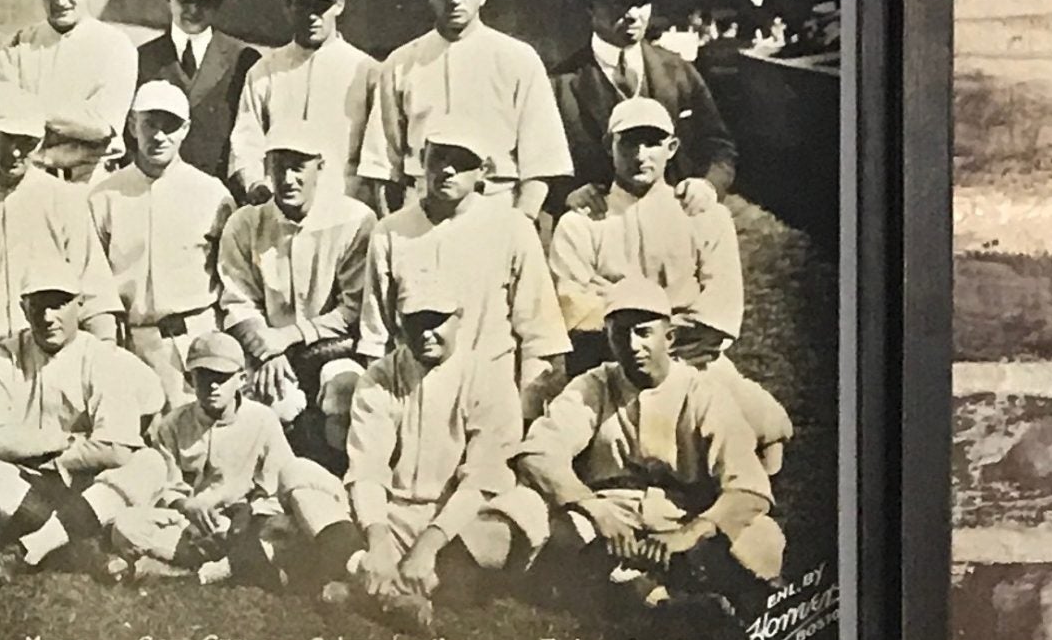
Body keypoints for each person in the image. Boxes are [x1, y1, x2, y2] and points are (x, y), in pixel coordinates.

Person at [510, 277, 784, 612]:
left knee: (761, 539)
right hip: (611, 516)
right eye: (619, 334)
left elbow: (748, 486)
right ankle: (660, 600)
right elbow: (538, 453)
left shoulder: (703, 391)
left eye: (643, 332)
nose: (632, 345)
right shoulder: (595, 385)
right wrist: (594, 508)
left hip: (686, 514)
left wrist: (693, 531)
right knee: (563, 533)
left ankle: (694, 590)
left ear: (669, 338)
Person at [338, 271, 536, 634]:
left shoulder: (488, 377)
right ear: (399, 322)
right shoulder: (380, 377)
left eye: (437, 320)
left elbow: (484, 478)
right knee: (307, 483)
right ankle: (401, 593)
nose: (426, 332)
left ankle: (372, 590)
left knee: (525, 512)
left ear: (459, 319)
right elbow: (367, 468)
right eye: (415, 321)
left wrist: (428, 546)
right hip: (393, 516)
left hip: (459, 524)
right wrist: (378, 541)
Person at [0, 257, 165, 584]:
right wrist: (65, 442)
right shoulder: (0, 357)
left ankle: (30, 547)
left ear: (80, 305)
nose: (48, 316)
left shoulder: (103, 357)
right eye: (38, 305)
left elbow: (117, 450)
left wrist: (51, 456)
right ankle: (83, 550)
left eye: (59, 304)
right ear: (23, 308)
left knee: (150, 464)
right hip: (25, 483)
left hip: (89, 484)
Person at [88, 328, 356, 589]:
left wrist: (248, 514)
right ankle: (222, 567)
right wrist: (186, 505)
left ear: (241, 379)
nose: (213, 385)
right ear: (189, 379)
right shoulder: (173, 424)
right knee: (127, 525)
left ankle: (188, 571)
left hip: (242, 525)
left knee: (284, 529)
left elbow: (277, 484)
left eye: (222, 377)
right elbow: (167, 486)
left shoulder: (262, 420)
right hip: (188, 525)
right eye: (204, 376)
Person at [361, 117, 570, 416]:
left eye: (461, 162)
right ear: (422, 159)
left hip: (490, 394)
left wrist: (526, 415)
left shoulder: (513, 228)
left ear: (484, 169)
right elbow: (377, 334)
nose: (447, 170)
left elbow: (541, 335)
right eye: (438, 157)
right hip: (416, 395)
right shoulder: (390, 232)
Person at [358, 0, 571, 217]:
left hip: (495, 202)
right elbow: (384, 161)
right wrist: (393, 224)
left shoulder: (518, 58)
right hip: (421, 206)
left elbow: (543, 156)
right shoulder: (401, 62)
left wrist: (521, 221)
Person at [215, 119, 376, 467]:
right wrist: (267, 351)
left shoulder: (355, 220)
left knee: (346, 392)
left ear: (320, 166)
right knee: (273, 405)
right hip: (268, 355)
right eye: (279, 166)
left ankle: (344, 478)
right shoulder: (245, 223)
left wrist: (289, 337)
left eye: (299, 166)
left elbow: (353, 308)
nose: (288, 179)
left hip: (333, 348)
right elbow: (239, 303)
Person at [546, 97, 744, 370]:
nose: (640, 156)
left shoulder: (705, 216)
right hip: (607, 369)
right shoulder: (580, 224)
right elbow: (576, 311)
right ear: (609, 145)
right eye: (629, 143)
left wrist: (619, 304)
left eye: (652, 143)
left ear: (672, 148)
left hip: (692, 366)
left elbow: (720, 308)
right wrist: (671, 311)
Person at [0, 99, 113, 365]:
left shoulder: (64, 200)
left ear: (41, 142)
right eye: (8, 140)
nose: (16, 152)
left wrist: (104, 356)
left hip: (56, 357)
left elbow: (95, 289)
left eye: (28, 142)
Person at [89, 78, 234, 407]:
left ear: (185, 130)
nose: (158, 136)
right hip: (131, 343)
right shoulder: (104, 195)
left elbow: (232, 277)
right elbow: (94, 279)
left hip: (195, 340)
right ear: (132, 125)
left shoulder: (211, 194)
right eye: (149, 124)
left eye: (170, 126)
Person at [549, 0, 737, 201]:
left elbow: (719, 146)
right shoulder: (558, 86)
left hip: (674, 216)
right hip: (598, 221)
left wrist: (708, 185)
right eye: (619, 2)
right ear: (590, 6)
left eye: (642, 2)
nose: (633, 14)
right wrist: (568, 194)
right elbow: (540, 165)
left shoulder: (679, 71)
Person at [0, 0, 139, 180]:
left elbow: (101, 127)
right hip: (28, 179)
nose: (61, 0)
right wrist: (72, 118)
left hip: (90, 180)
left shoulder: (116, 46)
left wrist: (26, 110)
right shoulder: (18, 44)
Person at [226, 0, 378, 205]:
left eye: (321, 6)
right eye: (303, 5)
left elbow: (377, 152)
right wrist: (255, 183)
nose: (312, 16)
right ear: (288, 7)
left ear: (339, 6)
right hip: (279, 204)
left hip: (344, 204)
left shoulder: (366, 70)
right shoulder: (266, 70)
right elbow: (246, 139)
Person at [131, 0, 257, 181]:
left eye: (205, 1)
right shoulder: (142, 59)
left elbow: (252, 137)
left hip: (221, 191)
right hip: (157, 189)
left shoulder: (243, 59)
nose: (194, 10)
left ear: (219, 2)